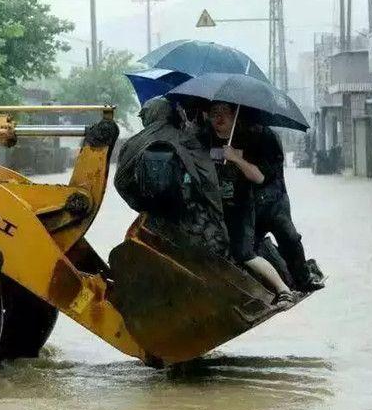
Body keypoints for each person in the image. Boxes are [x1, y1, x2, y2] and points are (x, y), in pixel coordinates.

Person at [205, 101, 295, 307]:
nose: (218, 119)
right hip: (213, 207)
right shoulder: (204, 138)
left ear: (234, 115)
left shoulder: (249, 139)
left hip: (240, 206)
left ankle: (284, 290)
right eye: (214, 114)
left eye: (224, 114)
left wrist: (236, 158)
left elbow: (258, 177)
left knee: (244, 253)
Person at [114, 96, 229, 257]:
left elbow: (120, 182)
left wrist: (145, 206)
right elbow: (207, 179)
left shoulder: (133, 142)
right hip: (190, 220)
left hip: (154, 222)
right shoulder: (186, 138)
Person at [247, 123, 324, 293]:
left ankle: (303, 278)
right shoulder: (233, 136)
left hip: (275, 202)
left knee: (290, 239)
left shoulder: (269, 137)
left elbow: (265, 174)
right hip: (250, 203)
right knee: (249, 246)